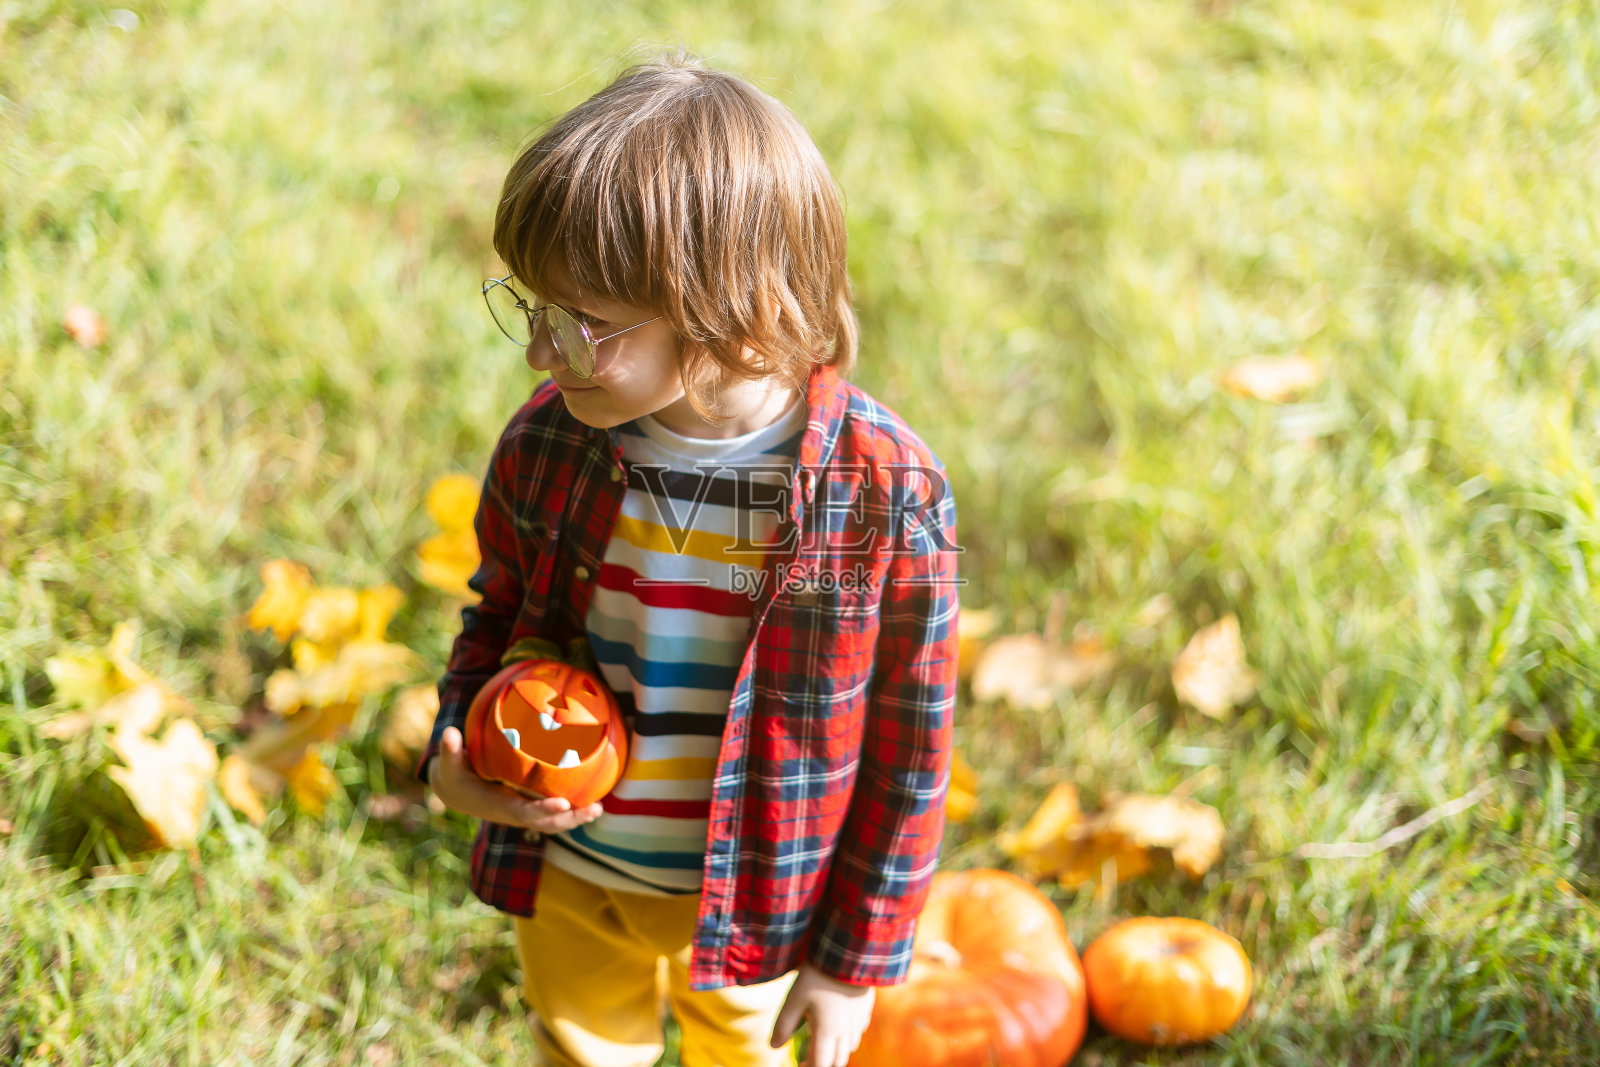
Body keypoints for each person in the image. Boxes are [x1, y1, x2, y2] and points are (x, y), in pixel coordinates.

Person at [416, 54, 959, 1067]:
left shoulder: (881, 491)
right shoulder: (551, 444)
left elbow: (911, 743)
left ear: (731, 310)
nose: (541, 354)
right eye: (532, 309)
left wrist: (854, 956)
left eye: (582, 328)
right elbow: (491, 617)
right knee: (578, 1046)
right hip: (573, 866)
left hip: (762, 889)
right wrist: (458, 749)